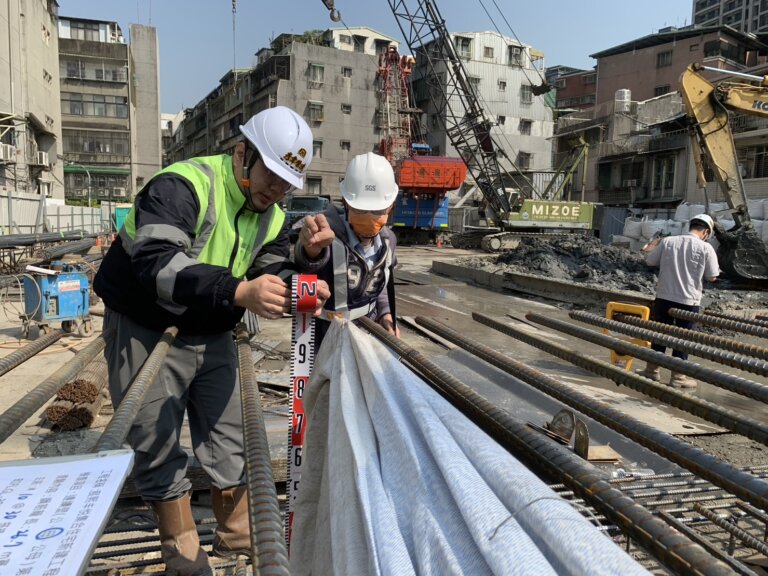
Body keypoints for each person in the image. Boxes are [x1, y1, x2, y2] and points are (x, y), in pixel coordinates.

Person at [94, 106, 330, 576]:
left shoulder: (271, 211)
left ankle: (240, 534)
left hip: (213, 325)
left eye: (287, 183)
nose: (277, 191)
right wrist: (239, 292)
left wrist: (303, 263)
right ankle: (183, 552)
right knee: (154, 437)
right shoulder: (182, 186)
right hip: (147, 325)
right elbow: (157, 263)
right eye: (272, 175)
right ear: (242, 153)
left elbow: (267, 265)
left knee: (230, 433)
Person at [294, 152, 399, 348]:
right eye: (360, 210)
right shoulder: (326, 233)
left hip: (368, 333)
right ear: (345, 202)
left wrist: (385, 313)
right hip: (324, 336)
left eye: (377, 210)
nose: (369, 216)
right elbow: (304, 261)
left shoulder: (388, 241)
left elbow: (381, 282)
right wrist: (309, 251)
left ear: (390, 207)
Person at [637, 213, 720, 388]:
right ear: (705, 232)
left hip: (664, 297)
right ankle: (678, 377)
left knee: (660, 333)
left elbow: (650, 261)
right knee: (683, 338)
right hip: (688, 301)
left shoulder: (668, 242)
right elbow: (713, 276)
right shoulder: (706, 248)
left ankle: (652, 371)